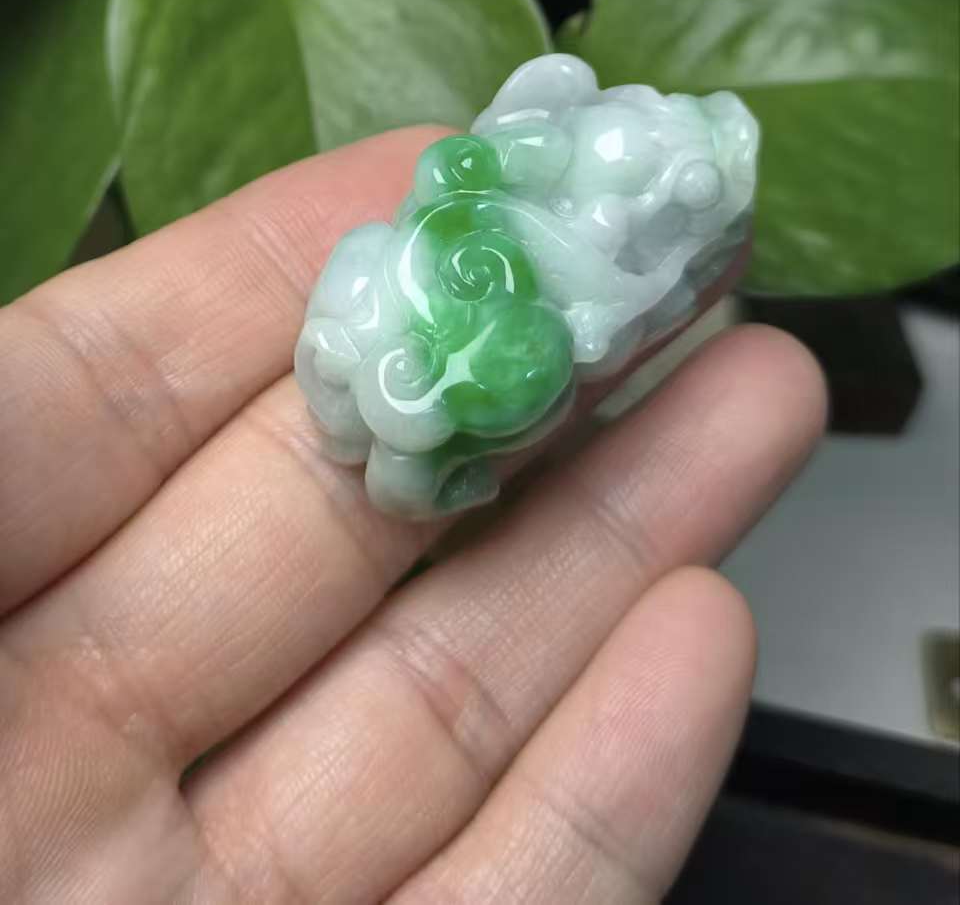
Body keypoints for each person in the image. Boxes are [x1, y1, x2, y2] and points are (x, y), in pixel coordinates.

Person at [0, 128, 825, 903]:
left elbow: (577, 319)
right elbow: (456, 183)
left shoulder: (588, 267)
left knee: (515, 364)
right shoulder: (530, 191)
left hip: (464, 354)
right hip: (419, 335)